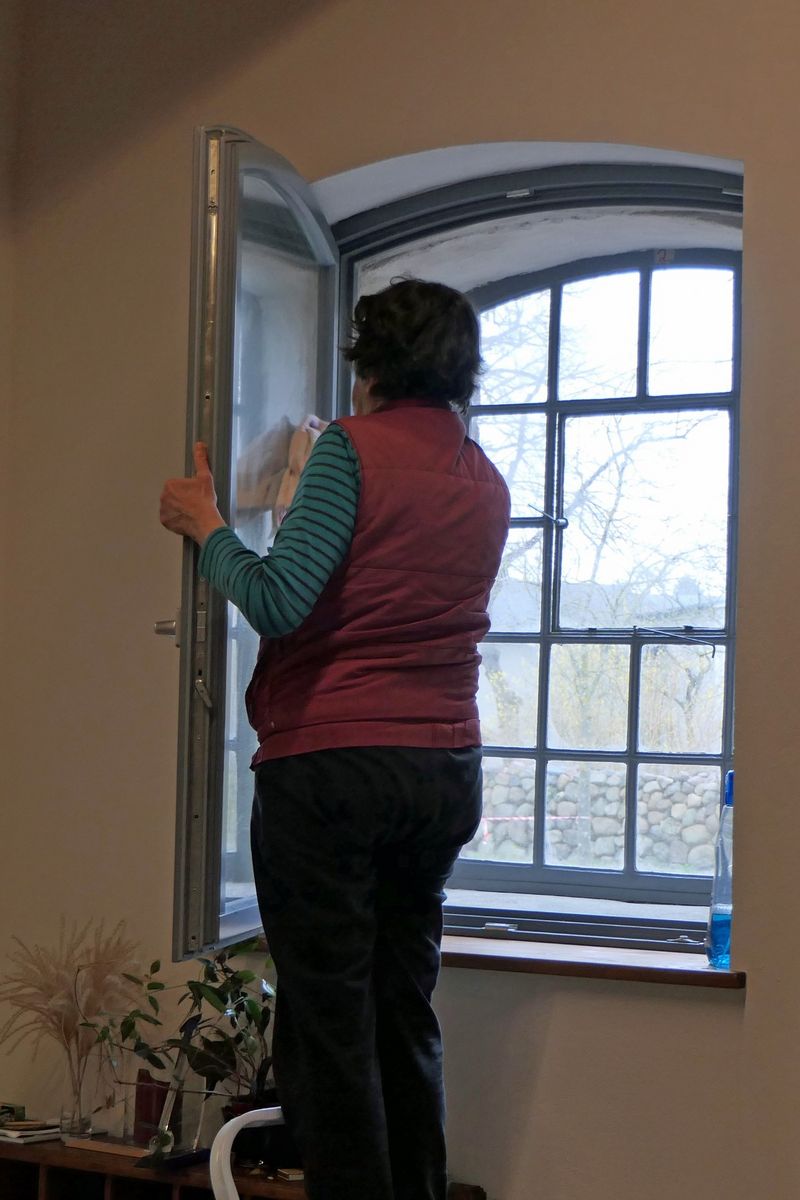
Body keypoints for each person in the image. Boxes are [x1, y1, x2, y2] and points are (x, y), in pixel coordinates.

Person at [160, 278, 510, 1200]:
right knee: (403, 1009)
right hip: (444, 772)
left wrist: (206, 526)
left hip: (333, 767)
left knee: (330, 1026)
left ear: (370, 365)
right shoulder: (484, 478)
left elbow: (279, 599)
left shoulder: (350, 452)